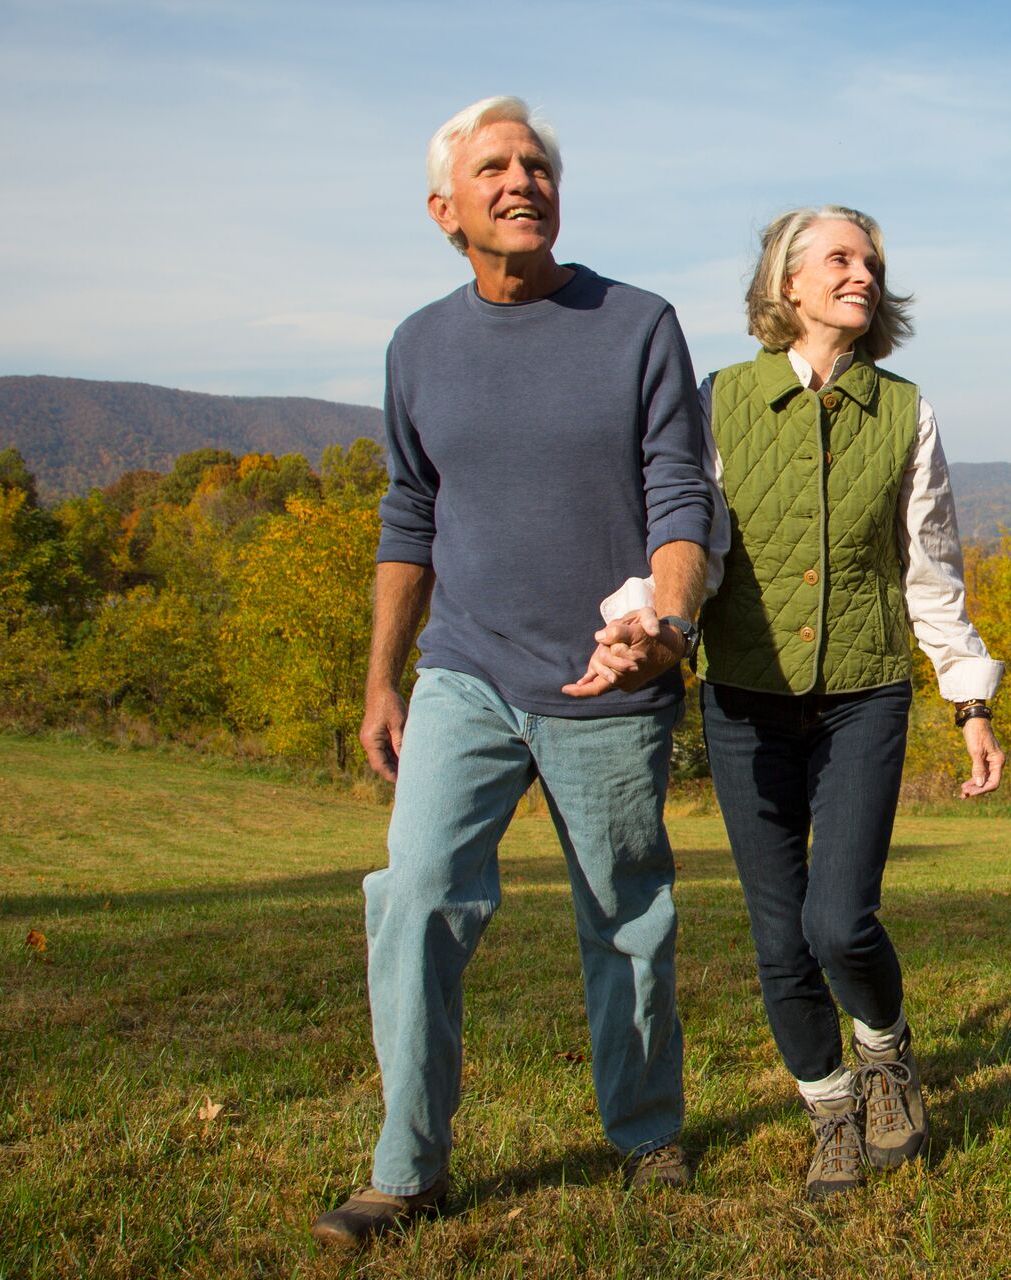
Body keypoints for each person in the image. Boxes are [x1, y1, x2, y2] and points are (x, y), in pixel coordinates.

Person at [311, 95, 712, 1247]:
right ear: (447, 210)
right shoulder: (418, 345)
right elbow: (410, 510)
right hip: (467, 670)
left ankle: (645, 1135)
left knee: (628, 914)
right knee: (419, 893)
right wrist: (382, 676)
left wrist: (666, 619)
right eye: (493, 167)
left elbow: (681, 495)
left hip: (609, 677)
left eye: (536, 162)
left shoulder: (638, 322)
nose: (521, 179)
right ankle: (407, 1167)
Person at [597, 205, 1005, 1199]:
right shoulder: (718, 399)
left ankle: (886, 1048)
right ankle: (830, 1108)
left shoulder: (908, 411)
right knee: (778, 935)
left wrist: (970, 697)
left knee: (839, 922)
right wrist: (641, 620)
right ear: (788, 284)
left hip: (866, 693)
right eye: (840, 258)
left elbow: (931, 571)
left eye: (871, 260)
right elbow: (682, 532)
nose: (861, 271)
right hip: (744, 697)